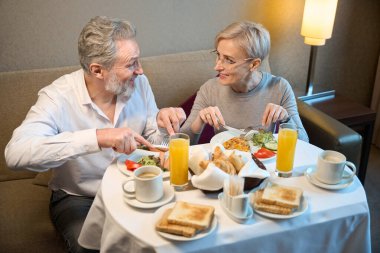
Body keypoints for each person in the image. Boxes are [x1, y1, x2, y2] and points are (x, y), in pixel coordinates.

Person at [5, 16, 185, 253]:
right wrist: (98, 137)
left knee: (170, 240)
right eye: (131, 64)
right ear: (98, 70)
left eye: (138, 61)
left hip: (134, 185)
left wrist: (162, 126)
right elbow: (15, 154)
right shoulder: (57, 97)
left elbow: (153, 142)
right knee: (92, 249)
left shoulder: (139, 84)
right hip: (80, 199)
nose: (140, 71)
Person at [180, 21, 308, 144]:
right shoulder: (209, 89)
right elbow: (179, 142)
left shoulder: (280, 88)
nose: (217, 67)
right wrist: (199, 121)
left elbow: (304, 142)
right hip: (226, 164)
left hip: (264, 164)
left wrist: (287, 120)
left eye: (229, 60)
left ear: (254, 64)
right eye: (218, 55)